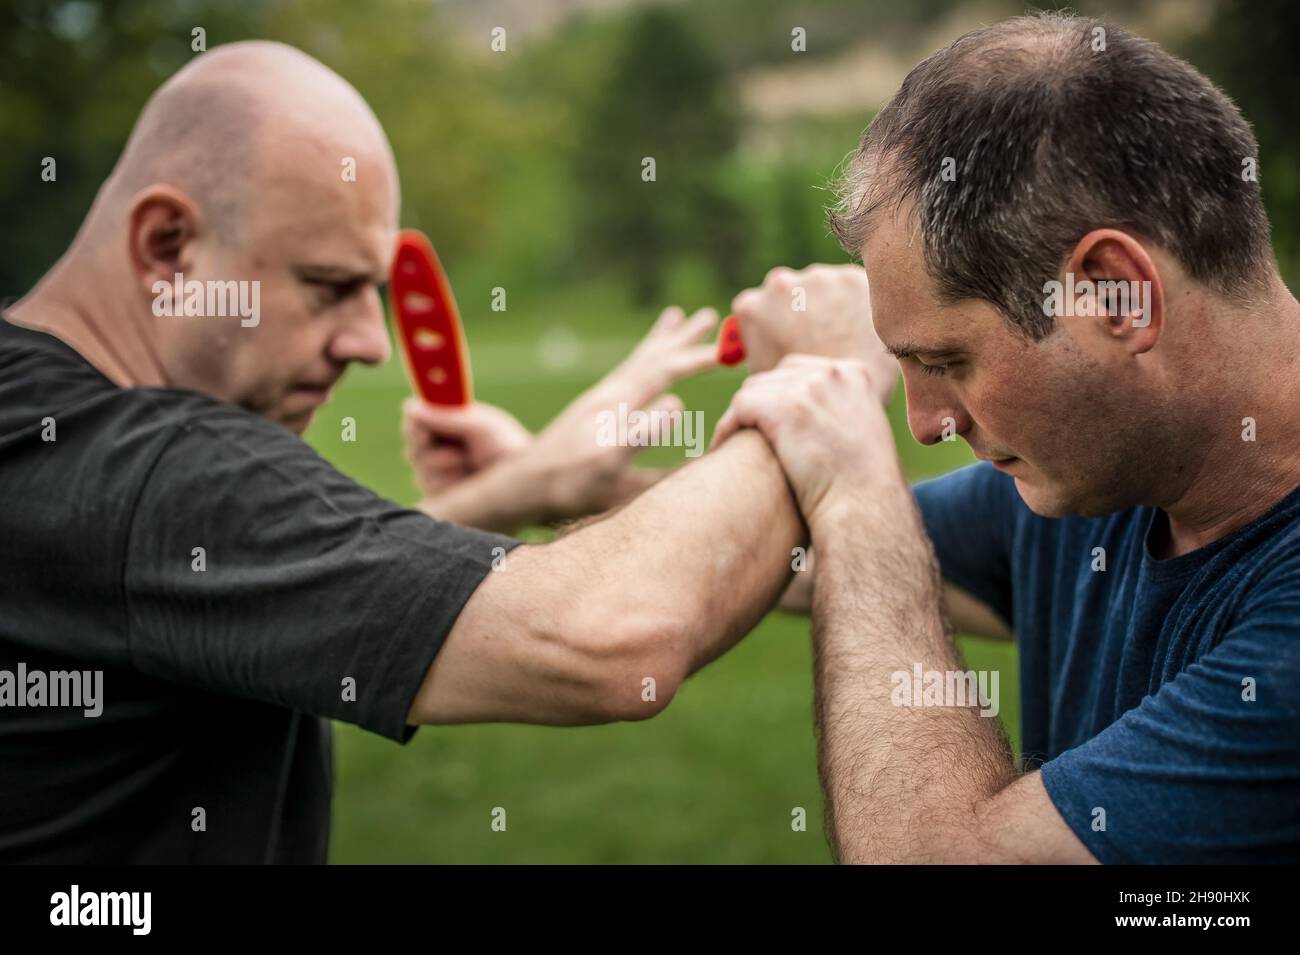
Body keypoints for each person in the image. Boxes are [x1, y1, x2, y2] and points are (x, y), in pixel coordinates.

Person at [0, 40, 892, 863]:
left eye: (377, 291)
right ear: (168, 246)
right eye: (328, 286)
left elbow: (216, 580)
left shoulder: (46, 429)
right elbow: (617, 636)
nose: (369, 342)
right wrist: (828, 379)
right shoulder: (151, 470)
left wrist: (518, 487)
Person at [714, 12, 1300, 863]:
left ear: (1114, 295)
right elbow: (797, 552)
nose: (926, 420)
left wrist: (854, 481)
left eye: (947, 358)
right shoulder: (1114, 463)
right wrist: (563, 484)